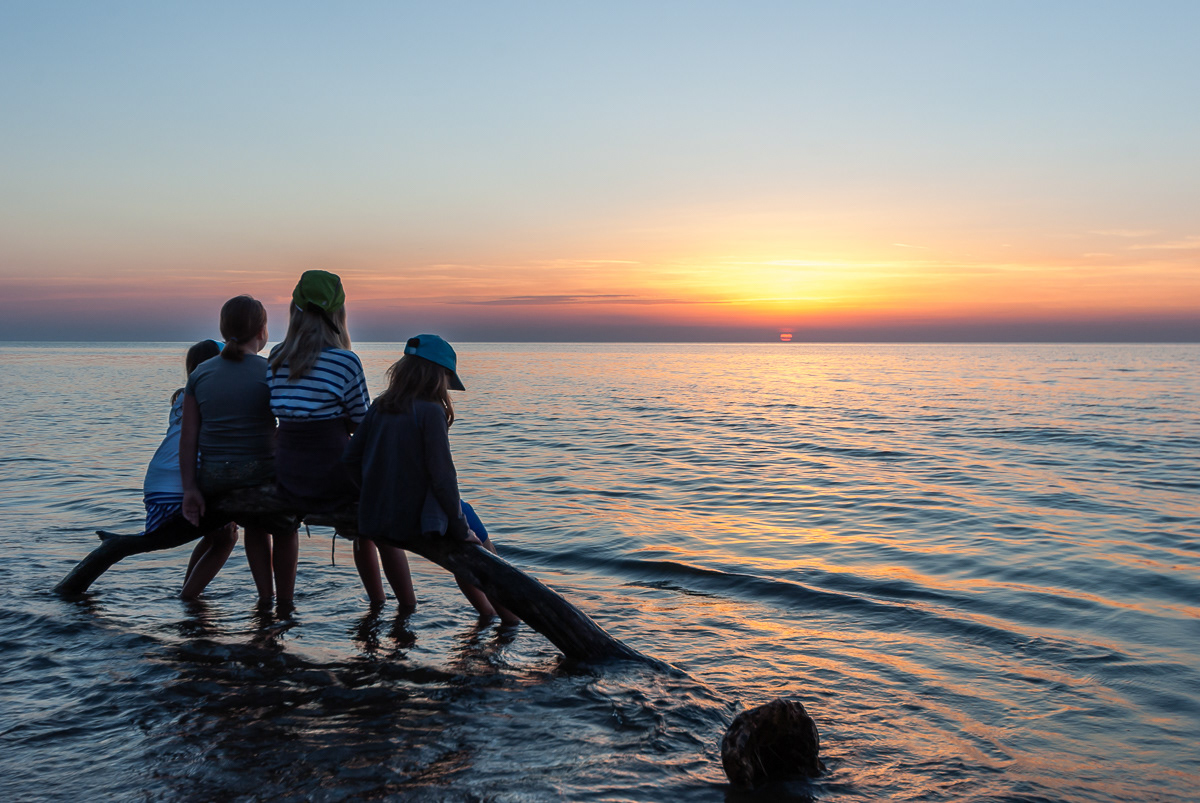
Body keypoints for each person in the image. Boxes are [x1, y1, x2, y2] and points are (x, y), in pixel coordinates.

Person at [344, 334, 517, 623]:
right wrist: (460, 528)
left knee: (466, 526)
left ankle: (487, 614)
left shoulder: (379, 406)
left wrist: (372, 492)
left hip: (378, 513)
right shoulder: (431, 411)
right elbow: (443, 478)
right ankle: (507, 620)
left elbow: (350, 460)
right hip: (420, 520)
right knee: (482, 554)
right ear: (439, 375)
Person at [266, 270, 413, 605]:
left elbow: (281, 411)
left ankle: (283, 604)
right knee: (380, 522)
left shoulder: (275, 357)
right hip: (333, 475)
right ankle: (398, 604)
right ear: (338, 314)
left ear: (294, 310)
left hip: (287, 473)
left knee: (284, 527)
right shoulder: (345, 362)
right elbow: (361, 423)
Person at [180, 295, 295, 605]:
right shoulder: (270, 369)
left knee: (255, 522)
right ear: (262, 331)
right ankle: (282, 602)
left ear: (222, 329)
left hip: (213, 478)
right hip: (260, 473)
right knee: (285, 525)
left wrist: (190, 488)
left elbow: (188, 438)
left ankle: (264, 596)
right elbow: (289, 423)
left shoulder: (200, 373)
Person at [141, 339, 238, 599]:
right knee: (228, 536)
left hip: (154, 493)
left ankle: (188, 590)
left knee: (215, 533)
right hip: (179, 493)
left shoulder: (181, 398)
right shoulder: (217, 398)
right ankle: (189, 600)